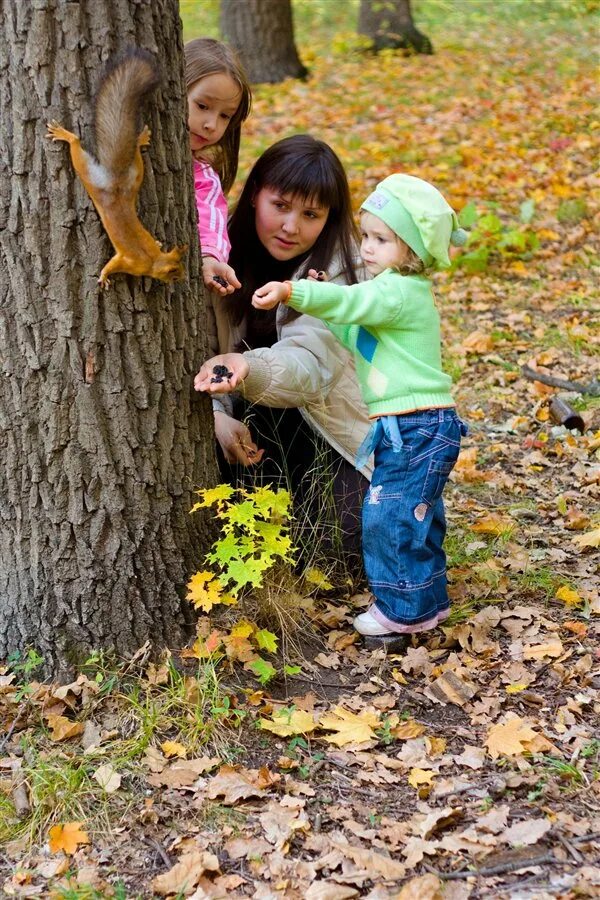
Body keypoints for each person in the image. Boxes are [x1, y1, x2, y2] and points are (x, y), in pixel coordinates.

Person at [200, 174, 468, 642]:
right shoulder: (392, 289)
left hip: (414, 425)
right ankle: (426, 598)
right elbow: (353, 333)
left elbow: (354, 301)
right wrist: (324, 308)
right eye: (366, 236)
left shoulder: (398, 289)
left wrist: (295, 292)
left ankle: (402, 611)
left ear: (413, 249)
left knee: (391, 515)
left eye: (382, 240)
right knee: (416, 513)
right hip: (410, 423)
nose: (366, 248)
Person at [195, 135, 372, 564]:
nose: (291, 226)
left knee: (339, 555)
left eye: (310, 214)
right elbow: (197, 352)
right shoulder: (219, 257)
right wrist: (217, 418)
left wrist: (245, 366)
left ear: (328, 218)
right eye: (281, 206)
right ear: (256, 194)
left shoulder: (339, 272)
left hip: (329, 435)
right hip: (249, 431)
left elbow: (312, 368)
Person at [185, 38, 251, 295]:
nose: (211, 124)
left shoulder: (203, 177)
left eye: (225, 115)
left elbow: (210, 217)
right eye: (202, 106)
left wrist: (209, 256)